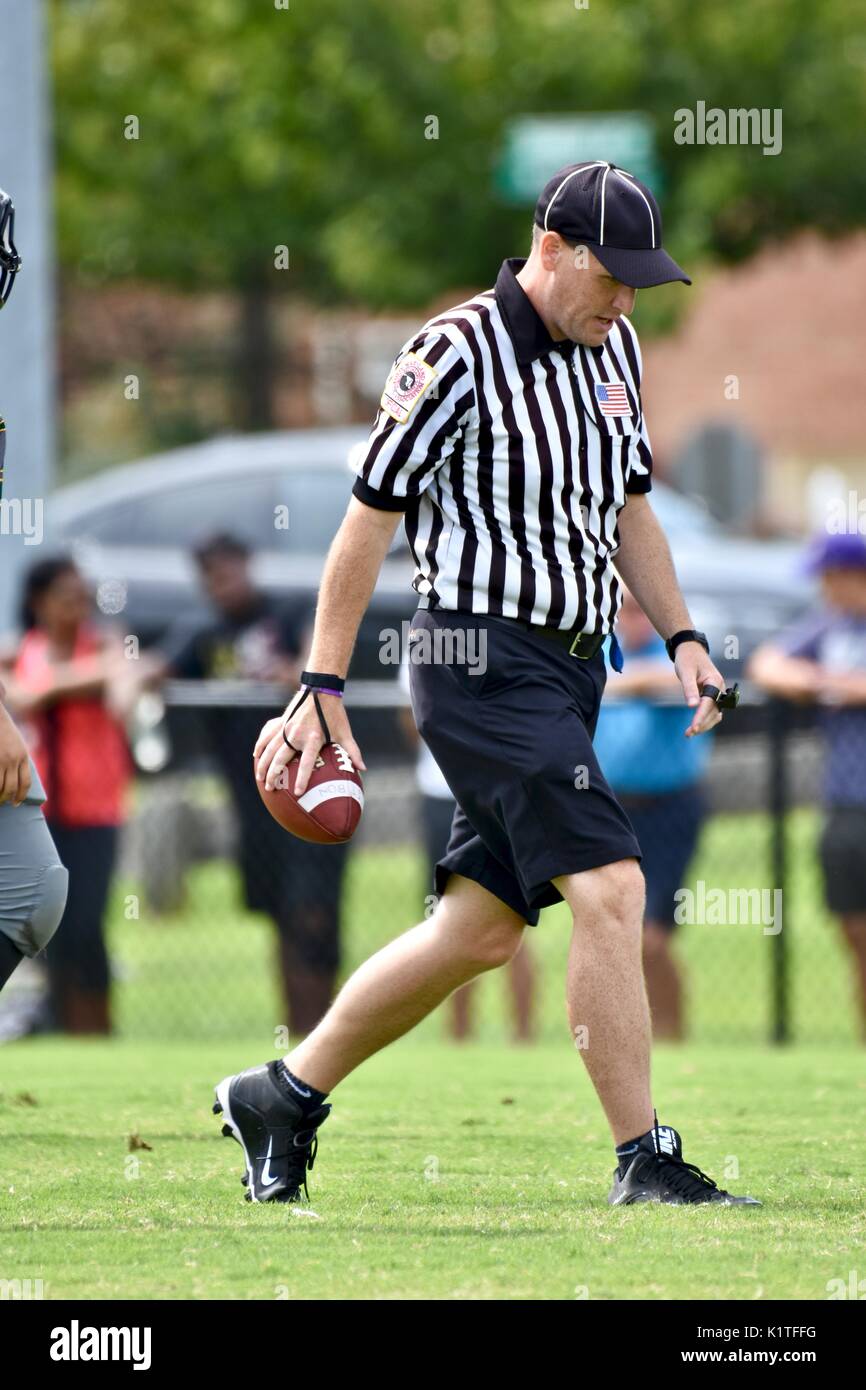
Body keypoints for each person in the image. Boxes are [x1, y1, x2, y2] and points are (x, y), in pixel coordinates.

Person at [214, 160, 760, 1207]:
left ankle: (280, 1094)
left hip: (571, 666)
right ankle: (641, 1155)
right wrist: (322, 679)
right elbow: (365, 519)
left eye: (641, 281)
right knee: (612, 886)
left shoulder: (617, 348)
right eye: (611, 275)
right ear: (550, 250)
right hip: (478, 660)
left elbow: (629, 505)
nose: (625, 299)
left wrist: (682, 635)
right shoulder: (452, 351)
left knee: (479, 930)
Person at [153, 533, 350, 1035]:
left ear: (248, 564)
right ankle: (296, 1033)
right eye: (212, 578)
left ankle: (324, 1032)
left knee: (314, 916)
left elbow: (314, 660)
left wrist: (296, 676)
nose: (224, 585)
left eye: (230, 571)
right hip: (254, 803)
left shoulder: (287, 612)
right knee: (281, 917)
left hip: (312, 790)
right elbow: (155, 668)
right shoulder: (203, 633)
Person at [1, 557, 131, 1033]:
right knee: (45, 922)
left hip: (95, 808)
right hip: (39, 807)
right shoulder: (23, 651)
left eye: (82, 595)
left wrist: (50, 685)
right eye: (65, 596)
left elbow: (123, 686)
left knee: (86, 924)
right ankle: (59, 1019)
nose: (78, 606)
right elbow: (18, 695)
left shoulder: (102, 644)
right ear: (39, 602)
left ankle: (95, 1027)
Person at [749, 532, 866, 1035]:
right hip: (844, 802)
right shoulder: (832, 629)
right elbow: (767, 663)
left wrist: (836, 685)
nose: (824, 589)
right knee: (853, 926)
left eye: (830, 578)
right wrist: (823, 682)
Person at [592, 590, 712, 1040]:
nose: (632, 618)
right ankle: (627, 1038)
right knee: (616, 935)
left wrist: (635, 681)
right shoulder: (599, 648)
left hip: (671, 808)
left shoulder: (682, 648)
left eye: (641, 608)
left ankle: (673, 1035)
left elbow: (692, 684)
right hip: (612, 806)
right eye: (625, 608)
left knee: (654, 938)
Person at [397, 655, 536, 1042]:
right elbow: (411, 715)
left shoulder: (500, 631)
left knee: (511, 917)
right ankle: (459, 1036)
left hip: (497, 791)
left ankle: (524, 1037)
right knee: (452, 918)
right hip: (442, 795)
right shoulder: (421, 641)